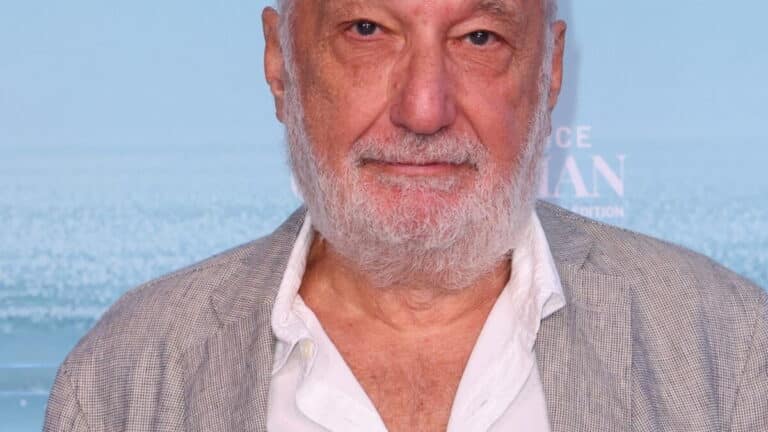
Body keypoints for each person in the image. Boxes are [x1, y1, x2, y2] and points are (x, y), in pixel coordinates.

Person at [44, 0, 767, 431]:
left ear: (549, 72)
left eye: (478, 38)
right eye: (367, 29)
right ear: (280, 62)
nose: (424, 109)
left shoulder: (728, 351)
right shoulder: (126, 379)